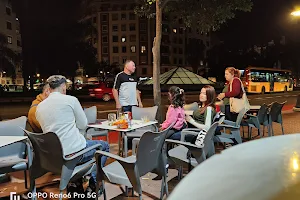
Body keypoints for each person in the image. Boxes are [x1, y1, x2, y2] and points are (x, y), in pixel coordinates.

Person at [36, 75, 109, 192]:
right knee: (104, 146)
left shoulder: (39, 107)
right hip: (73, 155)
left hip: (52, 158)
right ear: (64, 87)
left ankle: (75, 184)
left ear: (49, 88)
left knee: (75, 143)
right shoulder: (71, 100)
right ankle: (94, 184)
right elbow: (83, 124)